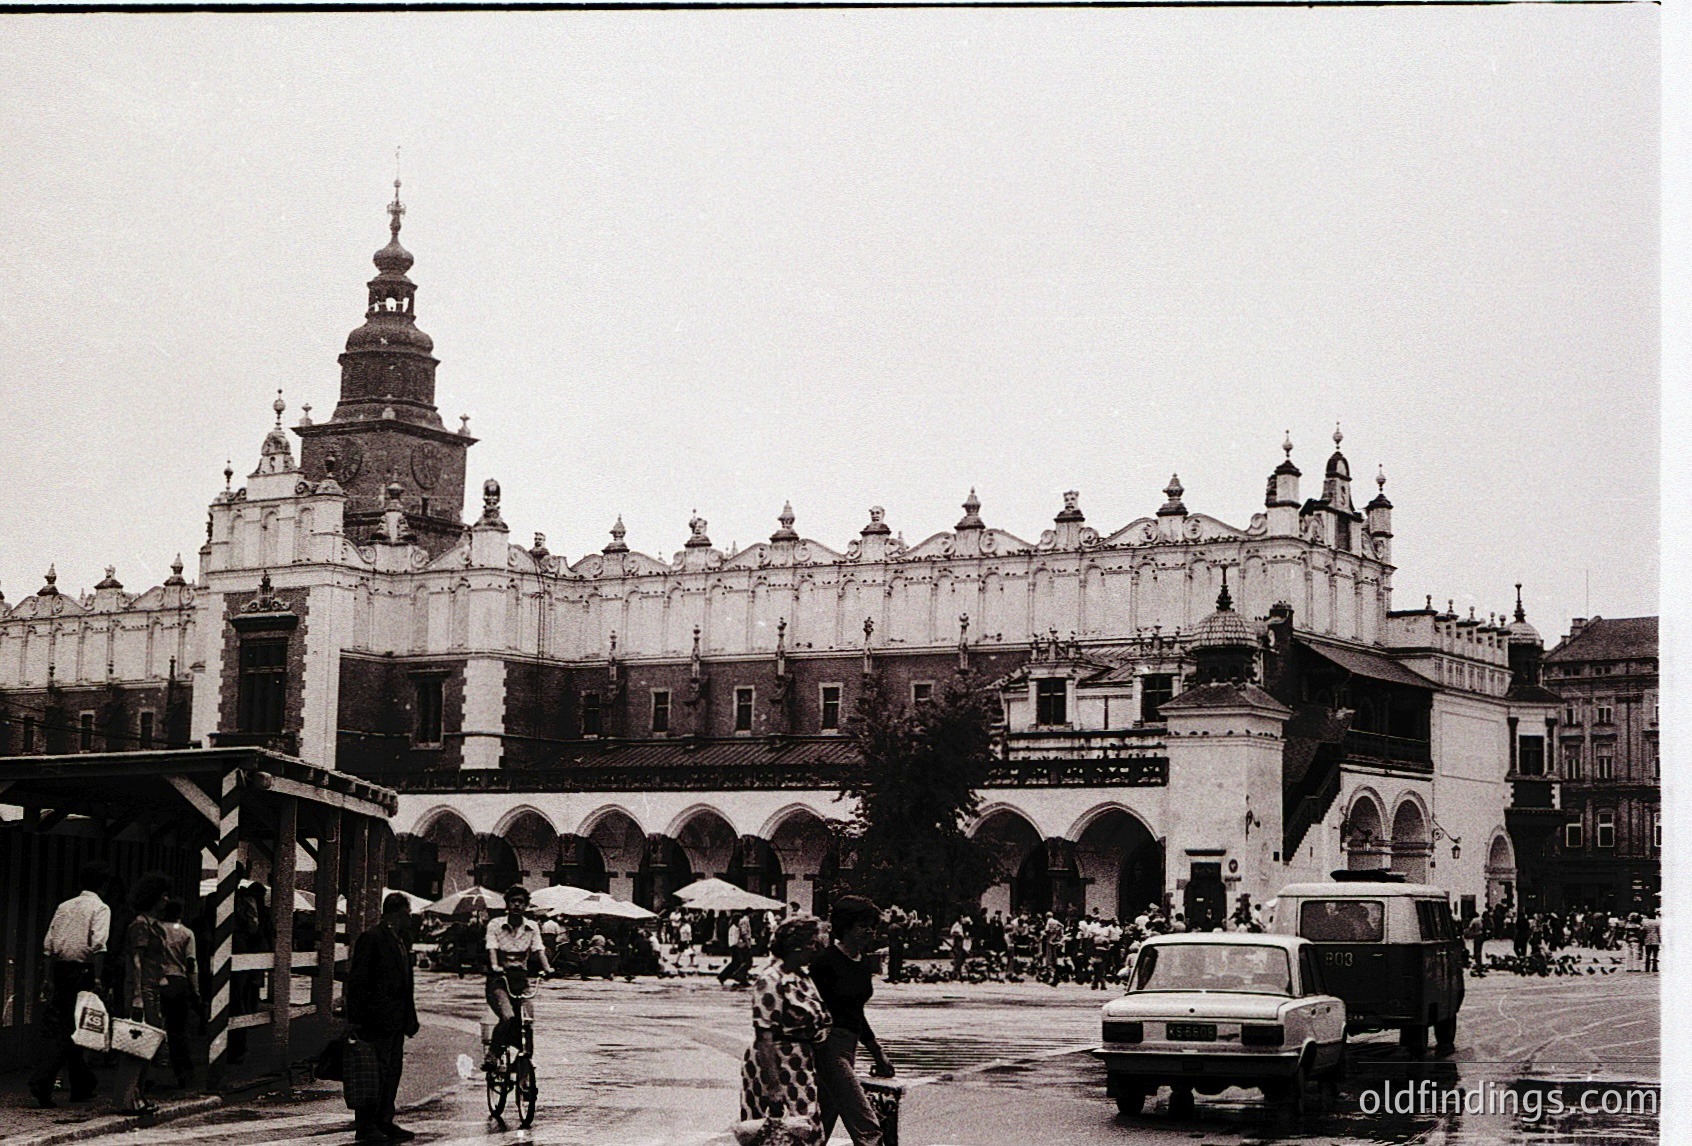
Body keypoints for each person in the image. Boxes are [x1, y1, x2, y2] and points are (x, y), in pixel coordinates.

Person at [739, 915, 831, 1146]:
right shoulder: (770, 980)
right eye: (812, 941)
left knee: (806, 1130)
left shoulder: (802, 977)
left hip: (800, 1062)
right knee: (777, 1134)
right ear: (796, 945)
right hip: (774, 1065)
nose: (816, 946)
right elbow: (764, 1037)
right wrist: (774, 1088)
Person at [810, 897, 893, 1146]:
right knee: (865, 1123)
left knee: (821, 1123)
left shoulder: (863, 963)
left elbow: (857, 1011)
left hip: (850, 1045)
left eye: (873, 926)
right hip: (828, 1046)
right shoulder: (825, 962)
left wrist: (877, 1052)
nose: (870, 931)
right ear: (845, 926)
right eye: (863, 925)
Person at [30, 861, 113, 1108]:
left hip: (60, 970)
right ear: (103, 885)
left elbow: (49, 946)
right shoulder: (100, 908)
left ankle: (82, 1085)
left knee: (67, 1026)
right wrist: (98, 978)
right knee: (75, 1029)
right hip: (84, 972)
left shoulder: (64, 907)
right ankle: (42, 1081)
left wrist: (48, 979)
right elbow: (99, 945)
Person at [347, 892, 421, 1143]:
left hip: (396, 1021)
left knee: (391, 1072)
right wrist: (356, 1019)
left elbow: (406, 984)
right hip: (375, 1020)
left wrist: (410, 1018)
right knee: (372, 1072)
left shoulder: (401, 941)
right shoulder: (372, 938)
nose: (410, 918)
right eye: (409, 913)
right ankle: (366, 1125)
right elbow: (358, 981)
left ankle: (384, 1120)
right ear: (399, 912)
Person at [114, 872, 173, 1115]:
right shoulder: (140, 925)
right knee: (138, 1044)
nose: (167, 900)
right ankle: (130, 1097)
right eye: (163, 896)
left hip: (152, 988)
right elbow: (136, 960)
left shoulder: (152, 925)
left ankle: (137, 1095)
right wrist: (138, 994)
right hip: (143, 990)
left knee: (145, 1044)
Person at [484, 885, 551, 1064]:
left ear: (526, 905)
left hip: (520, 979)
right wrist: (495, 965)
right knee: (508, 1017)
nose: (517, 905)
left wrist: (547, 968)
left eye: (521, 902)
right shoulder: (495, 925)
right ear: (507, 904)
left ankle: (525, 1059)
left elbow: (539, 949)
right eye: (513, 901)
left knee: (527, 1019)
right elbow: (492, 947)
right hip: (499, 980)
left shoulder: (532, 927)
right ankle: (493, 1054)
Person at [158, 899, 201, 1089]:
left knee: (156, 1027)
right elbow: (191, 963)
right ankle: (183, 1071)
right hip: (178, 980)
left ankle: (152, 1070)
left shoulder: (156, 929)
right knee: (179, 1030)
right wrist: (196, 989)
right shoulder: (186, 933)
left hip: (157, 979)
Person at [720, 913, 754, 987]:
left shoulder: (734, 927)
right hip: (735, 947)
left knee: (736, 963)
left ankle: (725, 976)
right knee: (738, 963)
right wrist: (743, 944)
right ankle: (732, 976)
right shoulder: (735, 928)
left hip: (734, 946)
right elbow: (735, 940)